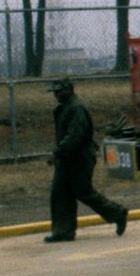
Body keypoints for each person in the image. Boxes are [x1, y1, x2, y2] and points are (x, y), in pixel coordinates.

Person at [45, 78, 128, 243]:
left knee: (83, 192)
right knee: (60, 193)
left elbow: (74, 137)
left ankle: (117, 213)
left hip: (79, 158)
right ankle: (63, 232)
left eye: (59, 90)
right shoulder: (65, 107)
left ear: (69, 89)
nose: (56, 94)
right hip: (67, 159)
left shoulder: (76, 108)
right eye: (54, 91)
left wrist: (57, 152)